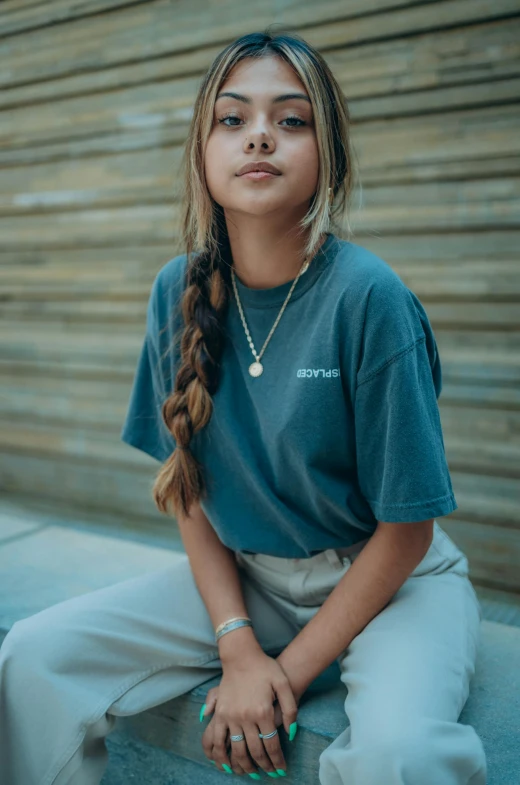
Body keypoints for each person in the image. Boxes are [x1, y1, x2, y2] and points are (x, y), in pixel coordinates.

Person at [0, 28, 487, 785]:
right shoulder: (178, 291)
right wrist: (235, 641)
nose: (260, 134)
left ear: (330, 155)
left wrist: (277, 675)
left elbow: (408, 530)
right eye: (233, 119)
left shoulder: (371, 298)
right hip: (249, 580)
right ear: (203, 150)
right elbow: (187, 487)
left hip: (391, 582)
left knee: (406, 754)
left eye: (291, 120)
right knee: (33, 655)